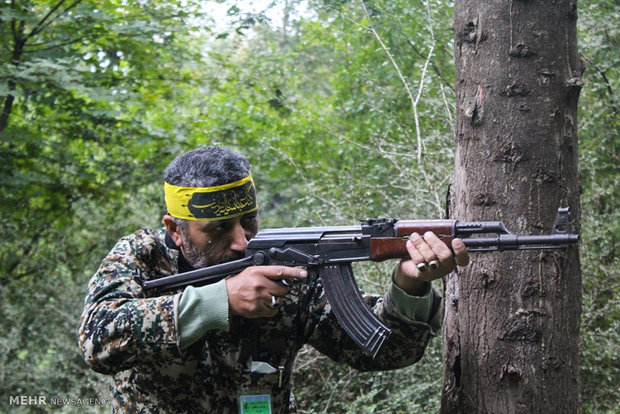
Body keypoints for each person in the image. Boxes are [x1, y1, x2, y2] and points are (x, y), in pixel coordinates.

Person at [78, 146, 469, 413]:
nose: (240, 242)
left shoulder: (282, 263)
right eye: (218, 229)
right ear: (176, 230)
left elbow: (384, 352)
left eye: (248, 221)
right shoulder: (142, 257)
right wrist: (218, 301)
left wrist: (409, 285)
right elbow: (98, 340)